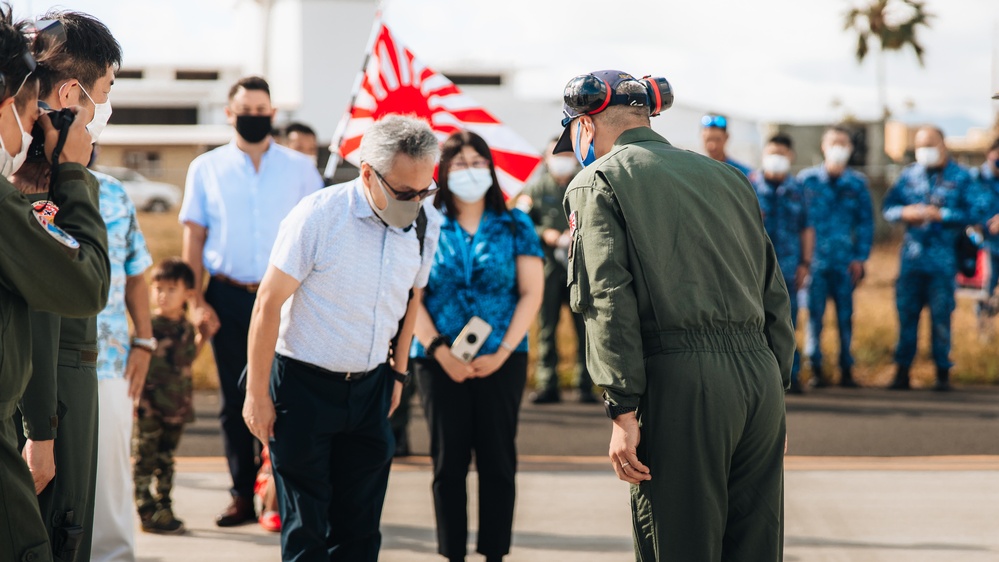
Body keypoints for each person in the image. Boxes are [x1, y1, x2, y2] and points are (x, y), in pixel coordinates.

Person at [555, 69, 793, 560]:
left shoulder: (598, 180)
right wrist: (775, 392)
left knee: (678, 544)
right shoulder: (727, 177)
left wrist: (621, 406)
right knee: (755, 546)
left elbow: (606, 298)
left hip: (684, 381)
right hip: (760, 381)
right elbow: (773, 290)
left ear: (586, 125)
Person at [242, 114, 441, 561]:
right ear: (368, 173)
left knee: (360, 531)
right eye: (404, 193)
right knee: (306, 530)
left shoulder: (427, 224)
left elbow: (412, 301)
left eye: (425, 191)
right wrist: (257, 394)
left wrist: (397, 375)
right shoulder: (318, 217)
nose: (416, 203)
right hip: (302, 388)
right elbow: (268, 304)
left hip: (371, 389)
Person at [10, 10, 135, 562]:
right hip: (55, 389)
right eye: (103, 91)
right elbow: (44, 309)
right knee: (62, 535)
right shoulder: (41, 187)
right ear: (69, 94)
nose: (105, 107)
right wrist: (42, 429)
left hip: (59, 384)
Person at [179, 75, 323, 527]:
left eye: (263, 110)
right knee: (233, 399)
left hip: (286, 299)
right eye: (247, 109)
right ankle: (242, 494)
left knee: (286, 397)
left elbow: (319, 234)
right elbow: (194, 237)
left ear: (272, 114)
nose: (255, 117)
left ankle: (281, 494)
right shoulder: (206, 168)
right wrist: (196, 301)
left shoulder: (300, 168)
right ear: (229, 112)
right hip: (227, 296)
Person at [411, 131, 544, 562]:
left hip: (502, 359)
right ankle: (452, 553)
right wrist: (438, 351)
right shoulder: (423, 220)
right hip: (437, 360)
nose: (470, 170)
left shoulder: (515, 224)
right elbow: (410, 295)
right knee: (447, 463)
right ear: (443, 171)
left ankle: (494, 554)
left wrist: (503, 351)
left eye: (478, 161)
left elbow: (531, 292)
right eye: (460, 163)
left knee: (497, 460)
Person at [882, 125, 977, 391]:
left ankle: (942, 374)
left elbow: (973, 212)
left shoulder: (962, 177)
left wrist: (943, 215)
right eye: (921, 145)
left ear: (943, 145)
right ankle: (902, 373)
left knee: (941, 319)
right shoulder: (908, 175)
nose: (925, 150)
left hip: (943, 263)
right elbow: (887, 208)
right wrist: (905, 212)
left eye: (930, 144)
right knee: (906, 318)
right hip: (911, 262)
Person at [796, 126, 874, 388]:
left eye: (844, 143)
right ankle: (815, 368)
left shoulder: (857, 184)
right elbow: (799, 223)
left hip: (845, 263)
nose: (839, 148)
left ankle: (846, 369)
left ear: (851, 149)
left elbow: (865, 224)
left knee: (845, 318)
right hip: (814, 264)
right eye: (834, 143)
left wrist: (860, 257)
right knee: (814, 318)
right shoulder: (806, 180)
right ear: (823, 147)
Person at [517, 139, 593, 404]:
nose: (562, 160)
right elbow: (521, 222)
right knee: (547, 328)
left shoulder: (584, 184)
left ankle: (586, 384)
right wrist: (544, 234)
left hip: (579, 269)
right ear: (546, 158)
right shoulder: (536, 189)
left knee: (584, 329)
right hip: (547, 268)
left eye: (567, 155)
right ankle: (547, 383)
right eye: (556, 155)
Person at [133, 258, 205, 535]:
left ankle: (165, 506)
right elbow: (136, 364)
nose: (162, 295)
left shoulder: (186, 328)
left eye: (171, 289)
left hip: (176, 406)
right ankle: (146, 509)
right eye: (158, 288)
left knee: (166, 459)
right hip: (149, 406)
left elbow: (186, 361)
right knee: (145, 460)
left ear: (188, 294)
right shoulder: (147, 326)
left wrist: (203, 337)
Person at [748, 133, 813, 393]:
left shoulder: (798, 190)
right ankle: (758, 380)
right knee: (754, 324)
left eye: (781, 154)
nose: (776, 159)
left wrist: (805, 263)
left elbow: (807, 228)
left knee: (788, 324)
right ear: (763, 155)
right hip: (754, 270)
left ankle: (790, 376)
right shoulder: (748, 184)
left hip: (788, 270)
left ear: (791, 156)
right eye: (772, 153)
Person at [976, 138, 999, 325]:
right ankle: (983, 325)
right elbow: (967, 208)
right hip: (985, 245)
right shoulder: (976, 178)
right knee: (986, 287)